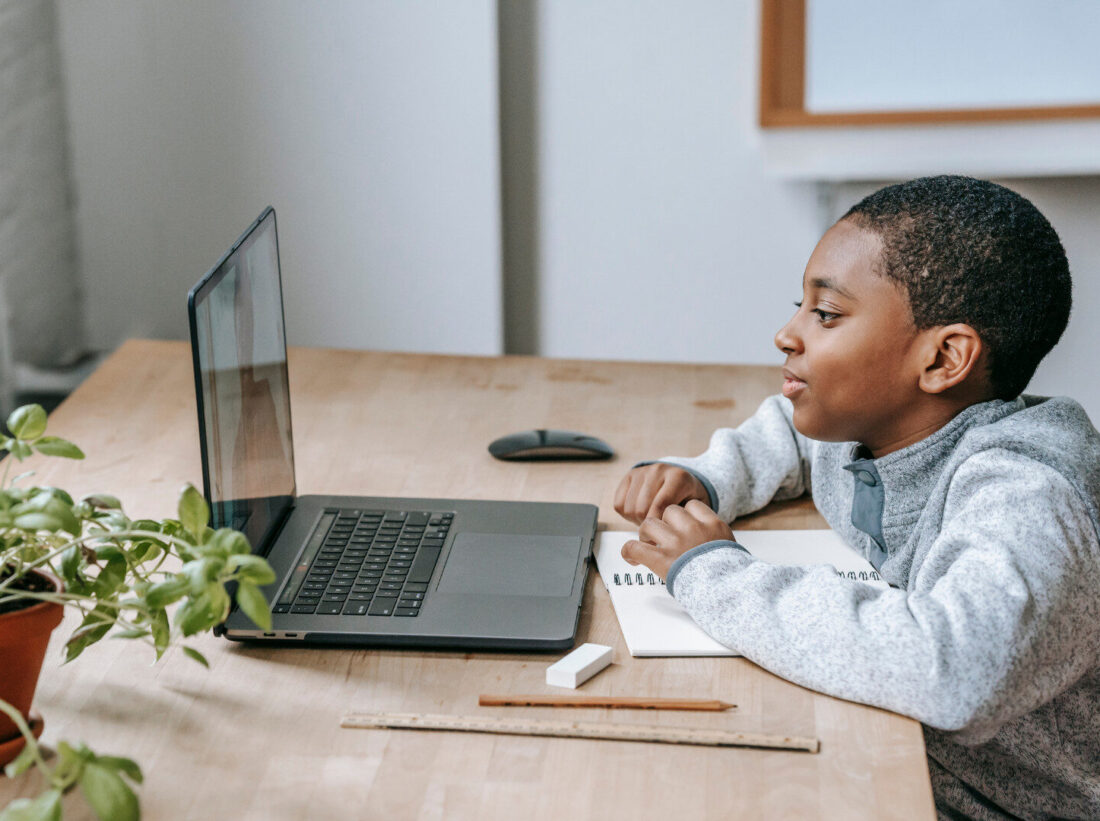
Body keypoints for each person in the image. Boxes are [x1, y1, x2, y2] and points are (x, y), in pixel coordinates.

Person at [613, 176, 1099, 821]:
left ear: (943, 358)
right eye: (800, 306)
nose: (787, 334)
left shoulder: (1027, 491)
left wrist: (714, 575)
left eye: (827, 314)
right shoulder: (869, 425)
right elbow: (790, 431)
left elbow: (951, 670)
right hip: (907, 753)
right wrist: (708, 478)